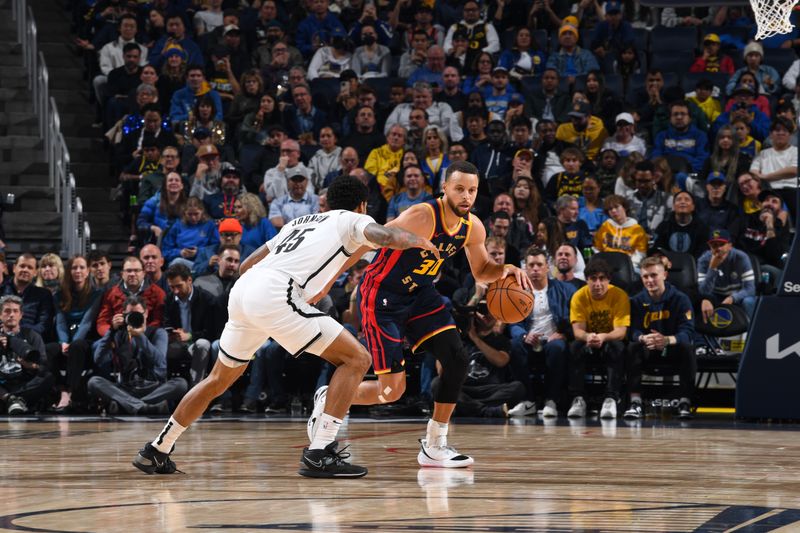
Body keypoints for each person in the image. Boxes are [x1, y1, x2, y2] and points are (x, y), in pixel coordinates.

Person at [133, 175, 441, 478]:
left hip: (244, 291)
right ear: (362, 205)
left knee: (216, 379)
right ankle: (321, 450)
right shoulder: (352, 219)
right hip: (275, 293)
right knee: (357, 359)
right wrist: (418, 240)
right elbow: (386, 236)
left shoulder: (300, 222)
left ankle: (158, 448)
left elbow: (244, 265)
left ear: (328, 202)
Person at [350, 161, 530, 467]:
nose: (466, 196)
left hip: (420, 294)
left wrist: (506, 269)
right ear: (444, 188)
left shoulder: (473, 227)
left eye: (472, 190)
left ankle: (435, 443)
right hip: (382, 296)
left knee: (457, 359)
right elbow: (370, 237)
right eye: (459, 189)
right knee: (392, 390)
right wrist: (327, 280)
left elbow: (482, 270)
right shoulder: (422, 215)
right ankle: (334, 396)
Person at [89, 295, 188, 415]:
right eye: (130, 315)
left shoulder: (158, 333)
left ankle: (128, 405)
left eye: (138, 314)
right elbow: (99, 359)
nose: (134, 318)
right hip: (126, 388)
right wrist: (111, 331)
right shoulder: (118, 334)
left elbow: (160, 361)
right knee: (94, 382)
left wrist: (140, 335)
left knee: (181, 384)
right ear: (124, 315)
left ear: (146, 313)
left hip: (154, 388)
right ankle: (146, 406)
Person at [626, 257, 696, 420]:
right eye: (645, 276)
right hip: (648, 347)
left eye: (654, 275)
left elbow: (688, 331)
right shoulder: (636, 301)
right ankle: (635, 402)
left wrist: (667, 340)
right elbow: (631, 331)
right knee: (632, 348)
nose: (649, 280)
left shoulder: (680, 299)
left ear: (664, 274)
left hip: (671, 347)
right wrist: (643, 337)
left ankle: (685, 401)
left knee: (687, 348)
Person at [510, 246, 576, 418]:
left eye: (539, 265)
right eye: (531, 265)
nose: (535, 269)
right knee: (514, 344)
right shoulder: (517, 292)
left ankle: (551, 400)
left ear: (548, 267)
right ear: (525, 268)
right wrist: (524, 335)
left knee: (557, 347)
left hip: (554, 340)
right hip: (529, 340)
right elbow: (513, 323)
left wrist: (565, 334)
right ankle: (527, 401)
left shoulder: (566, 290)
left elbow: (575, 319)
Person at [567, 257, 629, 419]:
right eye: (593, 279)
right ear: (586, 280)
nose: (597, 284)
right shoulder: (579, 296)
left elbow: (621, 331)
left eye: (602, 279)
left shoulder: (619, 295)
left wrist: (603, 336)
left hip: (609, 340)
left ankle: (611, 398)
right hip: (588, 339)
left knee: (618, 346)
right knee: (574, 346)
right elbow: (577, 331)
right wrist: (588, 336)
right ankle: (578, 398)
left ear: (609, 279)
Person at [48, 255, 103, 412]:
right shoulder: (59, 295)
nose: (78, 271)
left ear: (87, 272)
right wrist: (63, 342)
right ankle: (62, 390)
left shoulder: (96, 294)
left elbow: (87, 322)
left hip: (85, 340)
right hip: (66, 340)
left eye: (81, 267)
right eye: (74, 267)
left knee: (77, 346)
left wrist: (72, 344)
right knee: (49, 349)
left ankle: (71, 392)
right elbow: (60, 321)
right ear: (69, 271)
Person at [163, 264, 215, 388]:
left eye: (179, 286)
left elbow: (212, 331)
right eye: (172, 287)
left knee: (202, 344)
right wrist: (172, 334)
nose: (175, 291)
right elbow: (166, 323)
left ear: (189, 280)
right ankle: (163, 389)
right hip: (177, 343)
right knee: (158, 345)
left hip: (196, 342)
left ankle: (195, 389)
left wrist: (190, 336)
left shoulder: (206, 299)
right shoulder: (169, 299)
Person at [0, 295, 52, 414]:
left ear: (21, 315)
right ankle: (12, 400)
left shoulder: (32, 335)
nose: (11, 315)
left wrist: (29, 365)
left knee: (48, 377)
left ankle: (11, 400)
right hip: (2, 384)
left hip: (24, 384)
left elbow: (43, 366)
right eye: (7, 311)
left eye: (15, 311)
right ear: (0, 315)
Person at [697, 229, 757, 318]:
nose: (718, 249)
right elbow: (703, 292)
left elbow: (750, 289)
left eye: (722, 244)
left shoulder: (741, 258)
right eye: (714, 245)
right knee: (703, 302)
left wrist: (733, 298)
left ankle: (751, 330)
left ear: (730, 245)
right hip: (716, 296)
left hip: (738, 296)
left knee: (748, 301)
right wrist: (712, 268)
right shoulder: (703, 260)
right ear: (709, 246)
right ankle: (705, 330)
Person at [1, 254, 54, 338]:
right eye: (22, 266)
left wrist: (18, 330)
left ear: (35, 272)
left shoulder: (43, 295)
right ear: (14, 268)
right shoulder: (1, 290)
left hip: (30, 340)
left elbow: (43, 326)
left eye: (30, 267)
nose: (25, 270)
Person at [593, 195, 648, 270]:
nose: (613, 211)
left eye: (616, 207)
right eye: (610, 209)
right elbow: (597, 248)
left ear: (624, 207)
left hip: (628, 265)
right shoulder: (605, 226)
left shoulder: (637, 229)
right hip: (605, 264)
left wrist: (630, 265)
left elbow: (640, 253)